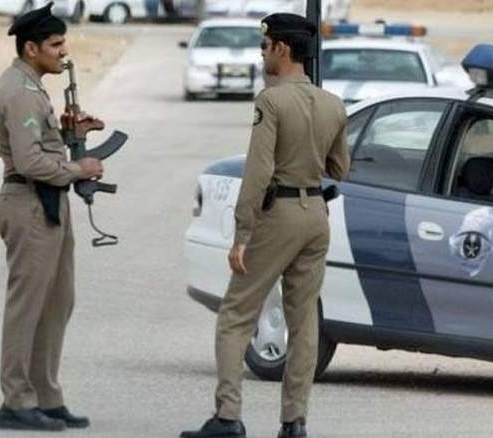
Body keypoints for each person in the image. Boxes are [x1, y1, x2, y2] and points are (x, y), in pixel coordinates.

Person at [181, 12, 350, 438]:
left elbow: (257, 172)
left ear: (282, 49)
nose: (262, 55)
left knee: (236, 314)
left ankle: (227, 416)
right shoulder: (332, 103)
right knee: (304, 320)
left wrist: (242, 233)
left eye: (265, 46)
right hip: (316, 214)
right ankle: (294, 422)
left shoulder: (270, 101)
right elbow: (339, 168)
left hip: (281, 214)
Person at [0, 2, 104, 431]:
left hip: (47, 202)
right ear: (31, 48)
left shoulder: (32, 87)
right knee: (28, 307)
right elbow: (29, 161)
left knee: (56, 303)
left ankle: (46, 397)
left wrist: (74, 134)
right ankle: (16, 401)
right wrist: (80, 168)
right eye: (56, 44)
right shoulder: (19, 91)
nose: (64, 51)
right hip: (28, 203)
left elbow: (42, 146)